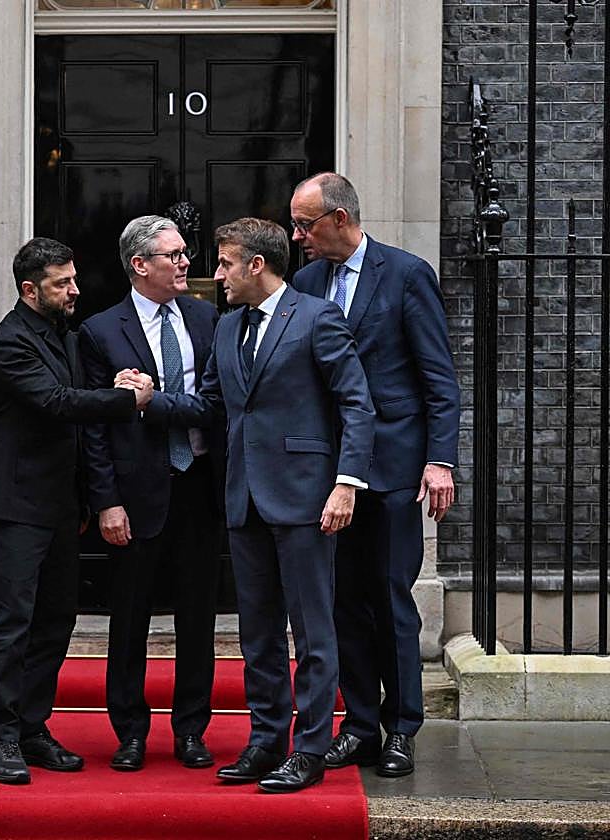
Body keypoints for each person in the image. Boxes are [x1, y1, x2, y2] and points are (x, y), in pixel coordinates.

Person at [134, 217, 374, 793]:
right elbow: (213, 404)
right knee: (258, 634)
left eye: (223, 264)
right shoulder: (226, 328)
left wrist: (346, 484)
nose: (214, 275)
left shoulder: (318, 319)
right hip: (242, 498)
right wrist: (152, 400)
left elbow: (357, 406)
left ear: (256, 266)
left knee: (312, 633)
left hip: (308, 499)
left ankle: (310, 748)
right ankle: (266, 741)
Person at [289, 173, 461, 778]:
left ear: (340, 218)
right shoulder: (306, 283)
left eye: (306, 224)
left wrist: (440, 460)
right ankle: (360, 724)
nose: (298, 235)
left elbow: (438, 377)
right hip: (327, 471)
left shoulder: (406, 274)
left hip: (391, 466)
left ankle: (402, 727)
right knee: (342, 602)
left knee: (390, 598)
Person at [0, 236, 154, 785]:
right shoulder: (9, 344)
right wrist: (130, 400)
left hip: (58, 505)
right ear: (31, 290)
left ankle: (33, 728)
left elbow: (83, 392)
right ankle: (2, 738)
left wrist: (120, 382)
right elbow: (57, 404)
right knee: (12, 625)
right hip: (16, 504)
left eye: (74, 278)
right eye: (63, 283)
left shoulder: (66, 337)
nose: (75, 289)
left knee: (56, 622)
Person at [78, 215, 223, 773]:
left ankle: (191, 731)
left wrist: (152, 400)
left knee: (197, 620)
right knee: (130, 618)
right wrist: (105, 501)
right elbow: (93, 428)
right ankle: (131, 733)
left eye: (186, 253)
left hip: (199, 488)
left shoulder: (208, 318)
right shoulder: (101, 331)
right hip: (134, 495)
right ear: (140, 265)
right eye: (174, 255)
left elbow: (215, 405)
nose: (187, 262)